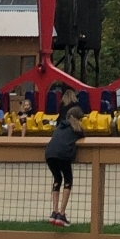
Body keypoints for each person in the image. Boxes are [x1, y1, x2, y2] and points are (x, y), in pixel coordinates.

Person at [44, 87, 83, 226]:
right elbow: (81, 136)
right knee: (68, 180)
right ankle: (61, 213)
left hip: (49, 154)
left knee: (57, 179)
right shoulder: (77, 128)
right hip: (63, 154)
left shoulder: (60, 126)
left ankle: (54, 212)